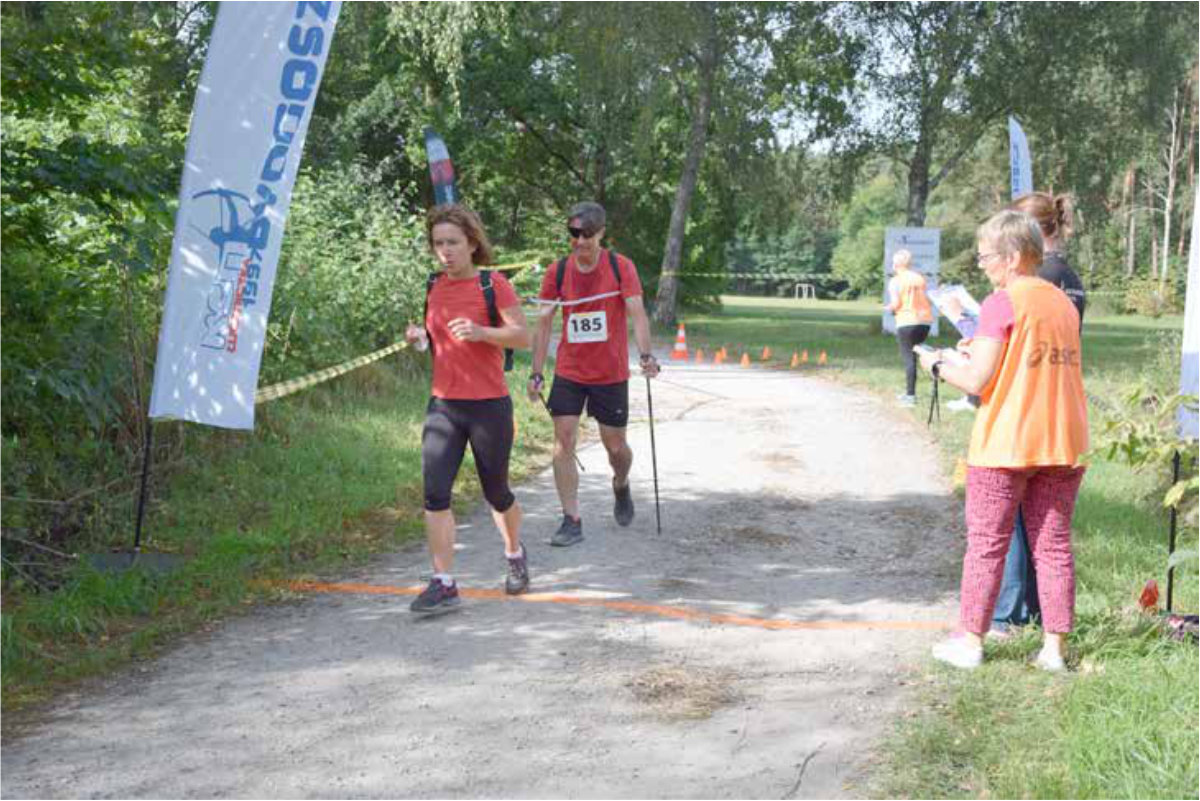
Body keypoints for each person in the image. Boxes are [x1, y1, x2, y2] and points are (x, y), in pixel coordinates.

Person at [916, 209, 1088, 671]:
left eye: (987, 256)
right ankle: (1054, 650)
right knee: (1052, 546)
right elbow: (1030, 361)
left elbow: (977, 379)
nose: (982, 265)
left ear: (1012, 257)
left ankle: (970, 641)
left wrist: (936, 364)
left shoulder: (1001, 302)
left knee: (987, 542)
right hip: (1063, 438)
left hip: (1008, 439)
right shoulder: (1063, 303)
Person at [404, 204, 532, 614]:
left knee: (496, 492)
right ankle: (444, 582)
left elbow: (521, 337)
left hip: (488, 405)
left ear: (472, 243)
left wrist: (482, 332)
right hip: (444, 404)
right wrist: (420, 340)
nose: (445, 251)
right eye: (438, 244)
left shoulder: (494, 285)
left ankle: (514, 553)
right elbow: (435, 339)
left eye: (453, 243)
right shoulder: (433, 285)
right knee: (435, 493)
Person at [528, 201, 660, 547]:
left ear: (601, 233)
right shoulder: (556, 273)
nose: (581, 241)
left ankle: (621, 483)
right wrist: (537, 372)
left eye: (588, 235)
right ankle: (571, 519)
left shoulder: (620, 268)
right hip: (570, 370)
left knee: (615, 446)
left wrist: (646, 355)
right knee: (564, 441)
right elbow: (542, 325)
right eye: (574, 234)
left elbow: (637, 314)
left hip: (610, 371)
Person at [990, 192, 1088, 636]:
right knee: (1048, 534)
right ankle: (1040, 617)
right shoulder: (1070, 279)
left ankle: (1007, 612)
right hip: (1062, 413)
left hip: (1021, 408)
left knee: (1007, 524)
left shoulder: (1030, 283)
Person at [884, 249, 934, 407]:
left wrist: (888, 308)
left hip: (906, 321)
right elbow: (928, 299)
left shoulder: (895, 281)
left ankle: (910, 397)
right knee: (916, 351)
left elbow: (897, 304)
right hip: (925, 322)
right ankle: (930, 357)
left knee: (909, 359)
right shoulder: (919, 278)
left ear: (897, 264)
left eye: (893, 262)